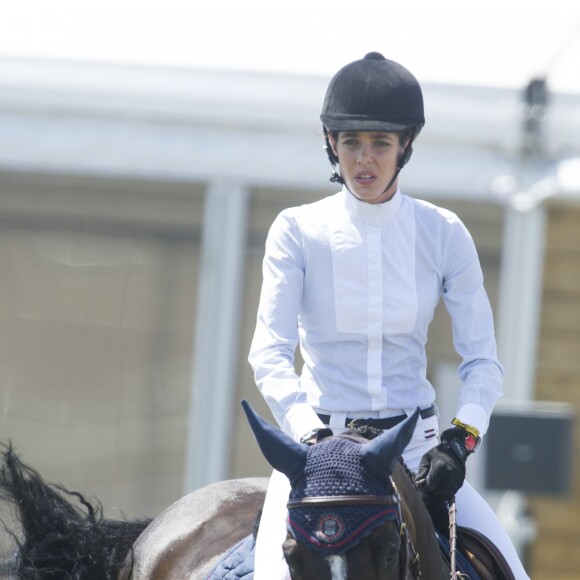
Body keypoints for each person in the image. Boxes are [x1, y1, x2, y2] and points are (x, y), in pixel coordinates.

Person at [249, 52, 529, 579]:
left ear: (405, 146)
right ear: (331, 143)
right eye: (351, 142)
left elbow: (482, 363)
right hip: (317, 460)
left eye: (380, 143)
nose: (364, 160)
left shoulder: (444, 233)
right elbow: (269, 352)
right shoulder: (296, 230)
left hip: (419, 455)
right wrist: (311, 441)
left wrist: (458, 441)